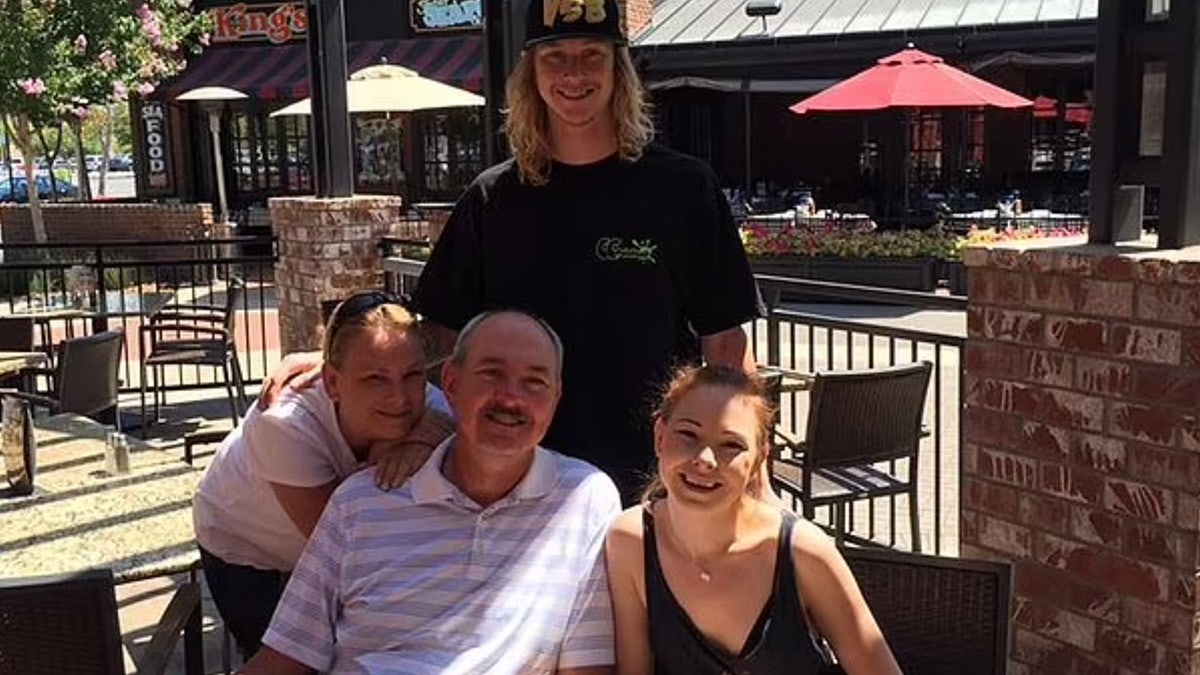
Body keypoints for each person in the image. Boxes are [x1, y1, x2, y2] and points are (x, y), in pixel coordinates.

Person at [259, 0, 764, 504]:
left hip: (654, 479)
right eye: (554, 57)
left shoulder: (682, 189)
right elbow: (436, 334)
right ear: (531, 74)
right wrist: (340, 359)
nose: (573, 74)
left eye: (592, 55)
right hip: (517, 481)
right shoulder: (492, 198)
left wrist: (754, 473)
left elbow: (726, 346)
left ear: (620, 70)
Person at [238, 310, 622, 675]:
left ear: (555, 398)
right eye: (491, 374)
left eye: (535, 382)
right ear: (451, 384)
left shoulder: (584, 499)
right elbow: (284, 657)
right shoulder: (360, 502)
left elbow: (586, 665)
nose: (511, 397)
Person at [193, 291, 454, 659]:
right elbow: (343, 553)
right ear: (332, 383)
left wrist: (422, 440)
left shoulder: (419, 400)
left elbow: (457, 419)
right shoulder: (284, 424)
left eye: (411, 375)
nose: (400, 399)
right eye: (376, 379)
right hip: (246, 547)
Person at [605, 365, 902, 675]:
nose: (705, 460)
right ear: (660, 437)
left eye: (731, 445)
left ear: (759, 459)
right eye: (688, 435)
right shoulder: (630, 540)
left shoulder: (803, 551)